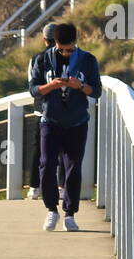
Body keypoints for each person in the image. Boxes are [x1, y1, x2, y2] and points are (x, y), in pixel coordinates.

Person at [28, 21, 101, 232]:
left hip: (77, 122)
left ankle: (70, 214)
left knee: (73, 169)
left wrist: (79, 86)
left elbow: (96, 91)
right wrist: (53, 85)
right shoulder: (42, 59)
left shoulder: (88, 60)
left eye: (69, 50)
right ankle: (52, 210)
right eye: (61, 50)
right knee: (47, 164)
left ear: (76, 43)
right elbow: (34, 90)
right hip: (50, 120)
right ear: (54, 44)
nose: (65, 54)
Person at [27, 23, 64, 199]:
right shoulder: (69, 56)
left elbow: (32, 84)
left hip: (41, 109)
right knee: (65, 150)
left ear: (44, 40)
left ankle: (35, 187)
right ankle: (63, 187)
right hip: (64, 110)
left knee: (39, 150)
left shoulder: (36, 59)